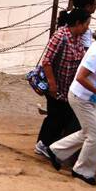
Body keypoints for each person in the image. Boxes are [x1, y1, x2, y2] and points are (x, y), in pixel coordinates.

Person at [47, 20, 96, 185]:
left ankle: (55, 151)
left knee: (88, 132)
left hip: (89, 98)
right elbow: (81, 77)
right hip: (81, 98)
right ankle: (82, 171)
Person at [34, 8, 89, 155]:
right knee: (56, 117)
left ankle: (46, 144)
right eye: (86, 24)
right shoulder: (61, 36)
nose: (87, 28)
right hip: (57, 86)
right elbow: (47, 61)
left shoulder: (77, 37)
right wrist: (52, 84)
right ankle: (43, 145)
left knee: (62, 117)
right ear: (78, 23)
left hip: (68, 87)